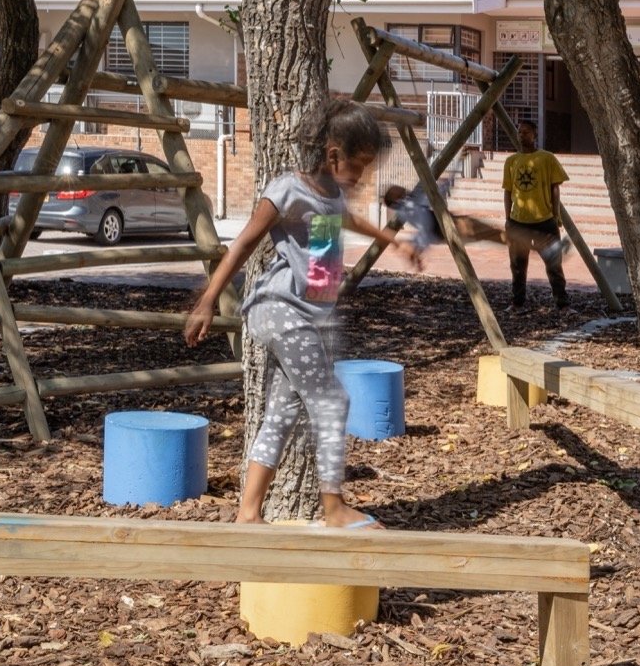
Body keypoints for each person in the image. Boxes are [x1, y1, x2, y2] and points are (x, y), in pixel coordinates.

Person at [184, 100, 420, 529]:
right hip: (280, 310)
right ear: (333, 155)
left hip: (302, 316)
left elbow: (346, 218)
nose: (364, 175)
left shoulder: (330, 196)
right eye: (360, 164)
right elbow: (241, 245)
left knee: (283, 411)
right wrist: (206, 302)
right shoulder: (288, 190)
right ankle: (334, 509)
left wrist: (394, 240)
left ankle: (248, 514)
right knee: (333, 403)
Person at [502, 119, 570, 311]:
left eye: (526, 132)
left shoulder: (547, 158)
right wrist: (508, 218)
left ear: (534, 135)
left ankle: (562, 303)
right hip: (518, 221)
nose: (522, 135)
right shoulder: (511, 161)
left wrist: (556, 215)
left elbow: (555, 188)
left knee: (553, 264)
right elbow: (508, 191)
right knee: (517, 265)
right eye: (519, 132)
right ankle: (517, 302)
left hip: (544, 221)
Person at [381, 176, 506, 256]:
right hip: (454, 227)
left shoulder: (410, 202)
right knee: (498, 235)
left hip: (451, 225)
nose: (398, 186)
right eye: (395, 189)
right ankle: (521, 241)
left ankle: (520, 242)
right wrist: (417, 247)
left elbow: (437, 192)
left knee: (496, 235)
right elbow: (426, 226)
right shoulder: (407, 208)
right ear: (395, 199)